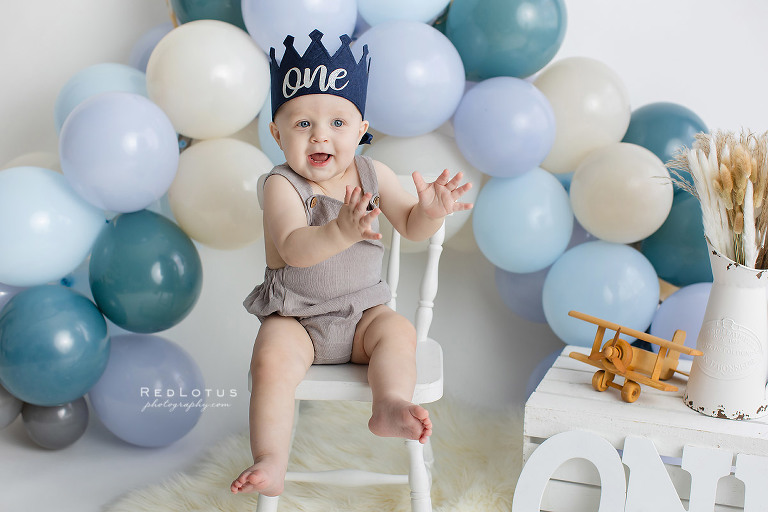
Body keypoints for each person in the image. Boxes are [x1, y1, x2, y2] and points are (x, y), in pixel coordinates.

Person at [230, 29, 473, 497]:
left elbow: (410, 225)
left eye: (338, 123)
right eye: (302, 124)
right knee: (271, 360)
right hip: (297, 319)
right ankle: (271, 457)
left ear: (362, 131)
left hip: (363, 317)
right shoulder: (281, 185)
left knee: (398, 332)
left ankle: (389, 403)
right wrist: (341, 229)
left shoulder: (374, 174)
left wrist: (430, 211)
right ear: (277, 134)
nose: (321, 134)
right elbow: (295, 248)